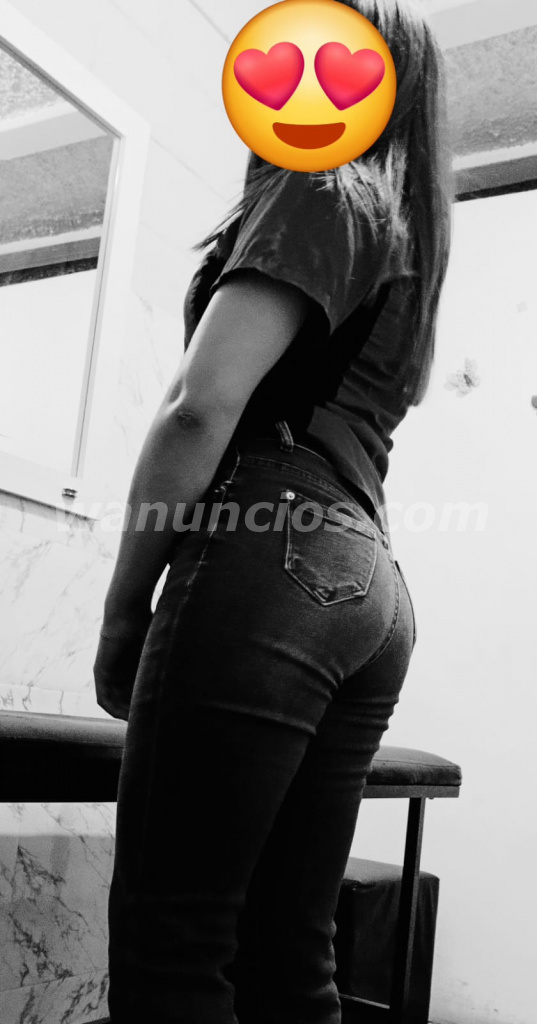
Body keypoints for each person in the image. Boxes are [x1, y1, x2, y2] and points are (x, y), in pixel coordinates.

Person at [93, 1, 453, 1021]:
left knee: (174, 949)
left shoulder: (323, 187)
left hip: (278, 547)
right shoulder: (405, 233)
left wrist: (123, 612)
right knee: (289, 959)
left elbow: (198, 407)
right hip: (369, 582)